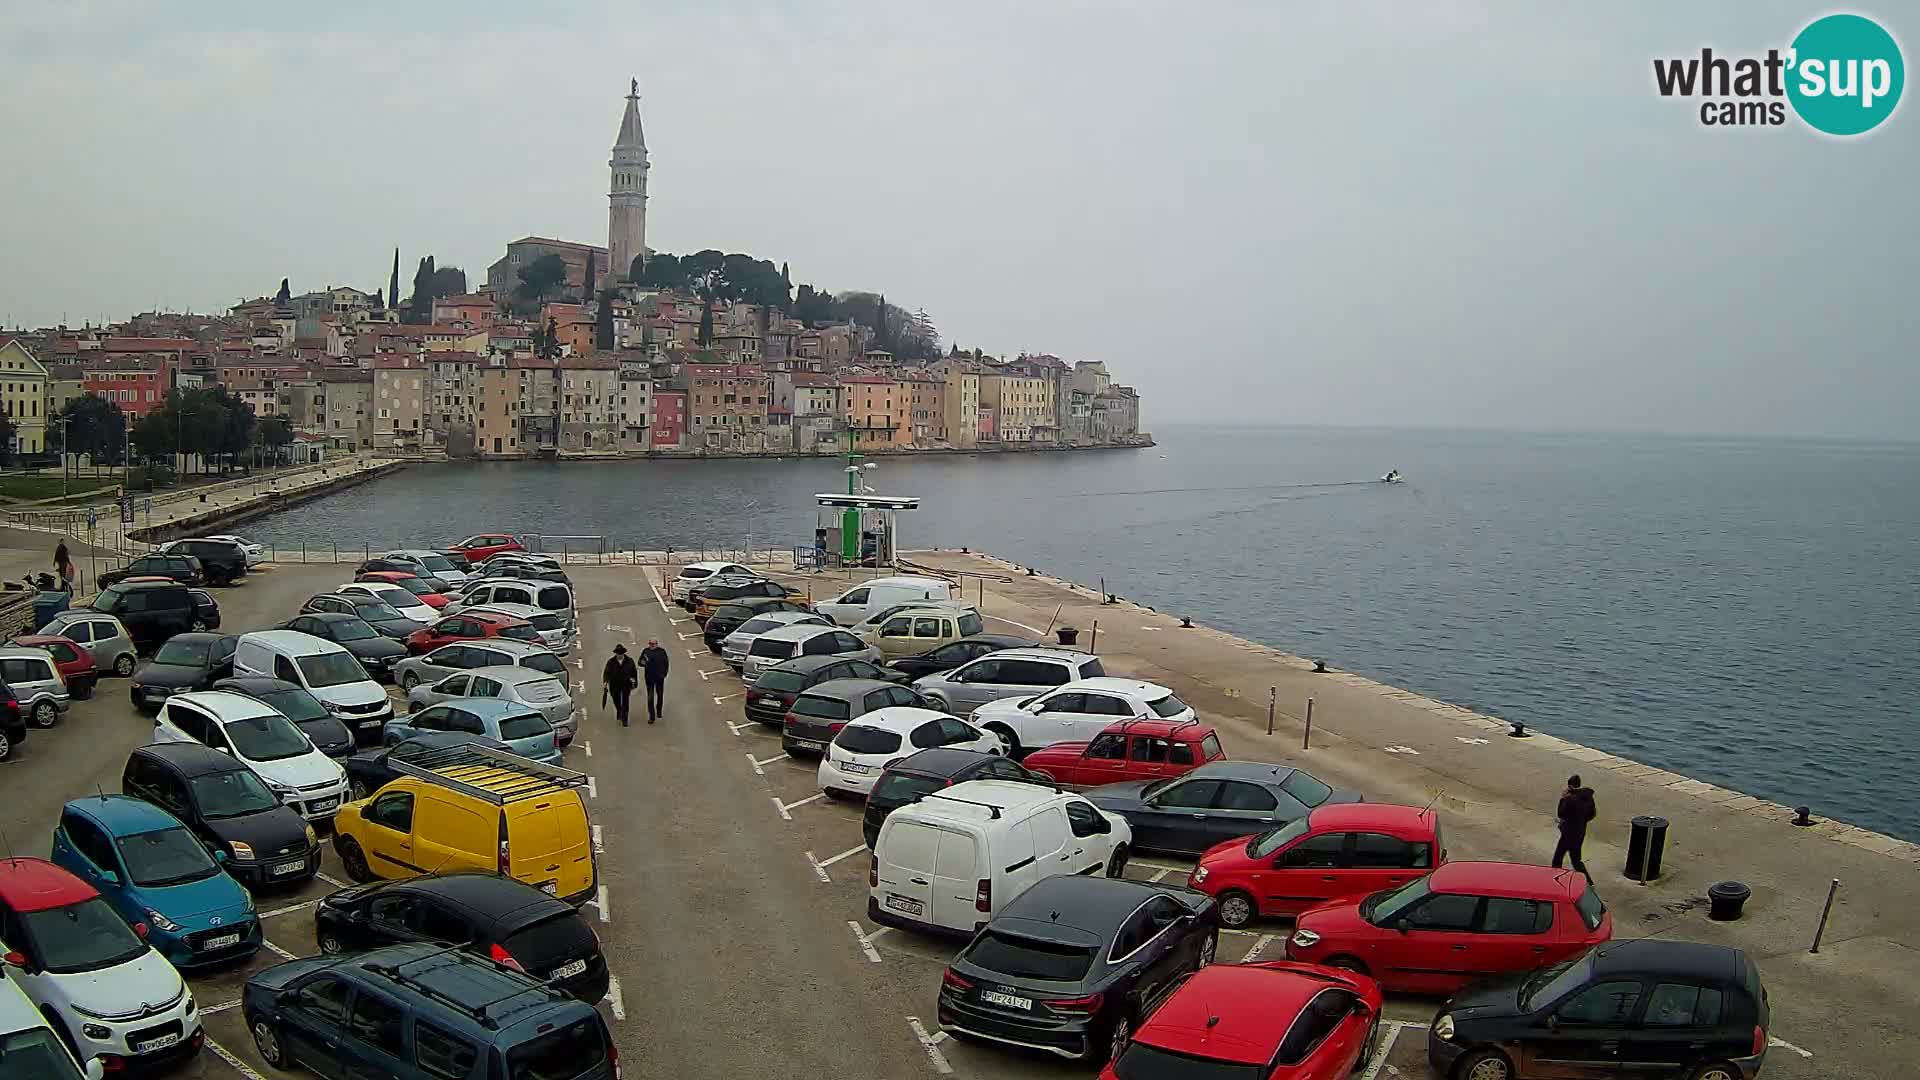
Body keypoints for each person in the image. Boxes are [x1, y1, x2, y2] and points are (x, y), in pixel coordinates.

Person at [1553, 774, 1597, 874]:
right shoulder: (1588, 797)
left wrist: (1563, 798)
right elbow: (1592, 814)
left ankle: (1555, 877)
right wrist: (1582, 820)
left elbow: (1561, 813)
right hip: (1580, 831)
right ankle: (1587, 881)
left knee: (1558, 857)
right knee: (1576, 859)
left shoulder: (1570, 799)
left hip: (1568, 832)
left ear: (1570, 786)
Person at [602, 644, 639, 727]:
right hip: (614, 684)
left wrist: (634, 682)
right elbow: (606, 673)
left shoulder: (629, 661)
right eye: (618, 654)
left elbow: (634, 672)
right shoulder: (611, 662)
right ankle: (619, 710)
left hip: (625, 684)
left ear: (623, 654)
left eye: (620, 654)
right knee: (616, 700)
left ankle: (624, 719)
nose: (619, 655)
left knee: (625, 702)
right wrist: (605, 682)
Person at [639, 638, 670, 724]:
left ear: (657, 644)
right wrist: (644, 662)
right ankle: (651, 716)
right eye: (650, 644)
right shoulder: (645, 651)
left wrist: (664, 674)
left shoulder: (662, 652)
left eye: (653, 644)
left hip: (659, 678)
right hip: (649, 678)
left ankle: (659, 711)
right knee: (650, 697)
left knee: (660, 695)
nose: (651, 645)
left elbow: (666, 663)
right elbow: (640, 662)